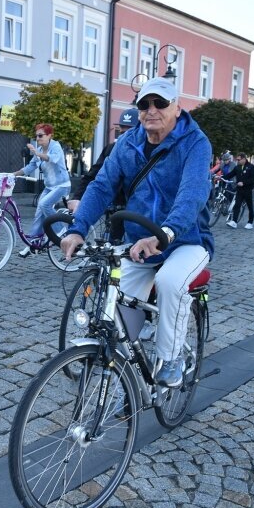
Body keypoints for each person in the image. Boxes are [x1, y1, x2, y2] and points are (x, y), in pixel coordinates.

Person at [61, 77, 213, 388]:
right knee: (113, 301)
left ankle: (172, 358)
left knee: (170, 281)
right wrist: (78, 229)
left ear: (177, 106)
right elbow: (101, 187)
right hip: (138, 244)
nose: (151, 110)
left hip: (186, 241)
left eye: (160, 103)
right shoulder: (127, 144)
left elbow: (192, 195)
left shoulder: (196, 143)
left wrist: (164, 233)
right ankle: (120, 380)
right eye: (144, 104)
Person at [68, 108, 139, 241]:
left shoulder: (148, 153)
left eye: (130, 132)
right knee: (112, 249)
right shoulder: (112, 149)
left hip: (140, 215)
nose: (124, 137)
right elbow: (93, 176)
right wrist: (77, 198)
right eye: (121, 132)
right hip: (117, 210)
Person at [12, 123, 70, 257]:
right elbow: (30, 167)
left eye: (40, 135)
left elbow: (52, 159)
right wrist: (13, 174)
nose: (38, 138)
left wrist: (36, 152)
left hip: (62, 186)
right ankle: (33, 243)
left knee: (45, 204)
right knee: (39, 212)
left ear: (49, 135)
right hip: (49, 187)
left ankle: (61, 232)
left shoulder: (56, 147)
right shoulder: (38, 149)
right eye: (36, 136)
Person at [224, 152, 254, 229]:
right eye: (237, 159)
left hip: (248, 190)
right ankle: (234, 221)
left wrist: (244, 183)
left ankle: (250, 222)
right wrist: (222, 177)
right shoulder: (237, 167)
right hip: (239, 190)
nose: (238, 161)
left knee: (250, 206)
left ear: (244, 159)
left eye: (239, 159)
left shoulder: (251, 167)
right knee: (237, 205)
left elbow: (253, 179)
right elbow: (231, 174)